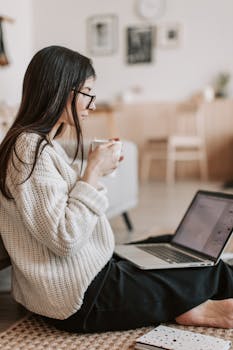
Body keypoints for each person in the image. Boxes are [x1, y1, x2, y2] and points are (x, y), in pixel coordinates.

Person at [0, 45, 233, 333]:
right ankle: (192, 305)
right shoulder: (28, 150)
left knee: (181, 246)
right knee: (208, 268)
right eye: (87, 92)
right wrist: (93, 172)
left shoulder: (40, 145)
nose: (93, 104)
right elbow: (64, 238)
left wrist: (96, 175)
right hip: (80, 298)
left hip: (84, 273)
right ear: (61, 89)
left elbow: (70, 217)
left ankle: (187, 305)